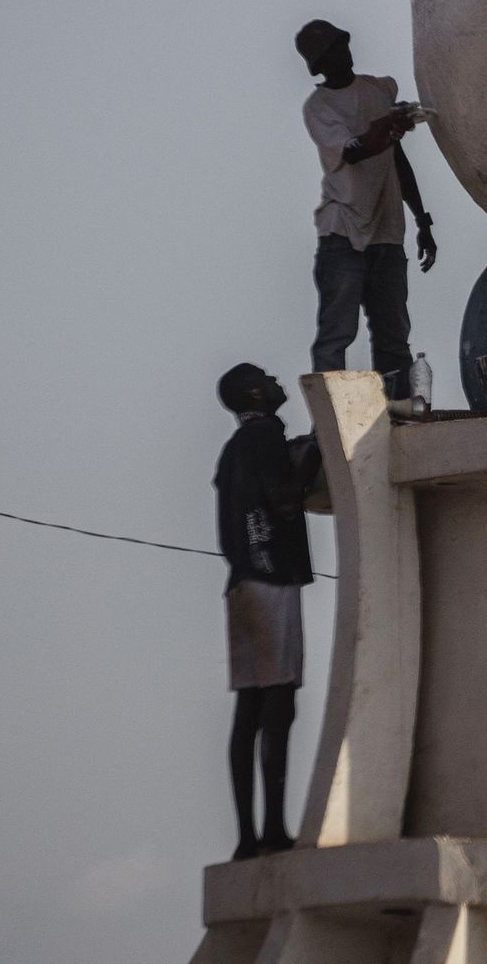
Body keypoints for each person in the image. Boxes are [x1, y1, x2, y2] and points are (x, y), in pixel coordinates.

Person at [296, 19, 438, 399]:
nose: (342, 54)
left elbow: (397, 160)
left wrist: (422, 219)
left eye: (342, 45)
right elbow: (357, 150)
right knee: (336, 335)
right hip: (343, 232)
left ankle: (398, 416)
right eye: (332, 52)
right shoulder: (319, 106)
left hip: (387, 232)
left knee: (394, 337)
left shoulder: (378, 89)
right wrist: (391, 125)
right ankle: (333, 422)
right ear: (319, 64)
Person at [212, 362, 318, 859]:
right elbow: (286, 501)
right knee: (278, 706)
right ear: (256, 394)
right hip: (272, 577)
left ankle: (249, 836)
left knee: (250, 707)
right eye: (268, 377)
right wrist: (316, 454)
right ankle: (272, 830)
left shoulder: (235, 447)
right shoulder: (264, 439)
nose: (279, 381)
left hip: (244, 581)